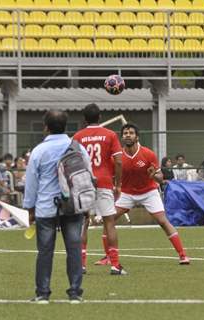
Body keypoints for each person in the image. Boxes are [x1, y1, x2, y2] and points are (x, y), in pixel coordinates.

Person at [23, 110, 87, 303]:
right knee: (74, 249)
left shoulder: (39, 151)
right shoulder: (77, 148)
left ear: (46, 127)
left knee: (44, 252)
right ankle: (75, 292)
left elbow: (31, 183)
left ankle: (43, 293)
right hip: (74, 205)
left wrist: (30, 209)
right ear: (66, 126)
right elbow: (87, 176)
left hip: (45, 206)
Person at [105, 124, 190, 265]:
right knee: (109, 219)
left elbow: (160, 177)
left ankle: (183, 255)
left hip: (148, 192)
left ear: (137, 137)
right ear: (122, 137)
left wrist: (154, 176)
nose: (128, 135)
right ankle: (109, 257)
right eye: (125, 133)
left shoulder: (148, 154)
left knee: (163, 221)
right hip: (127, 193)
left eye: (131, 133)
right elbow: (112, 176)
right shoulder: (117, 157)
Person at [73, 103, 126, 275]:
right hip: (104, 182)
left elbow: (73, 162)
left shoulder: (78, 136)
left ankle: (80, 265)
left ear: (84, 119)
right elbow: (118, 161)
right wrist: (117, 184)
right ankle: (115, 265)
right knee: (109, 222)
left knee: (83, 223)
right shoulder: (110, 134)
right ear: (100, 117)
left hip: (84, 183)